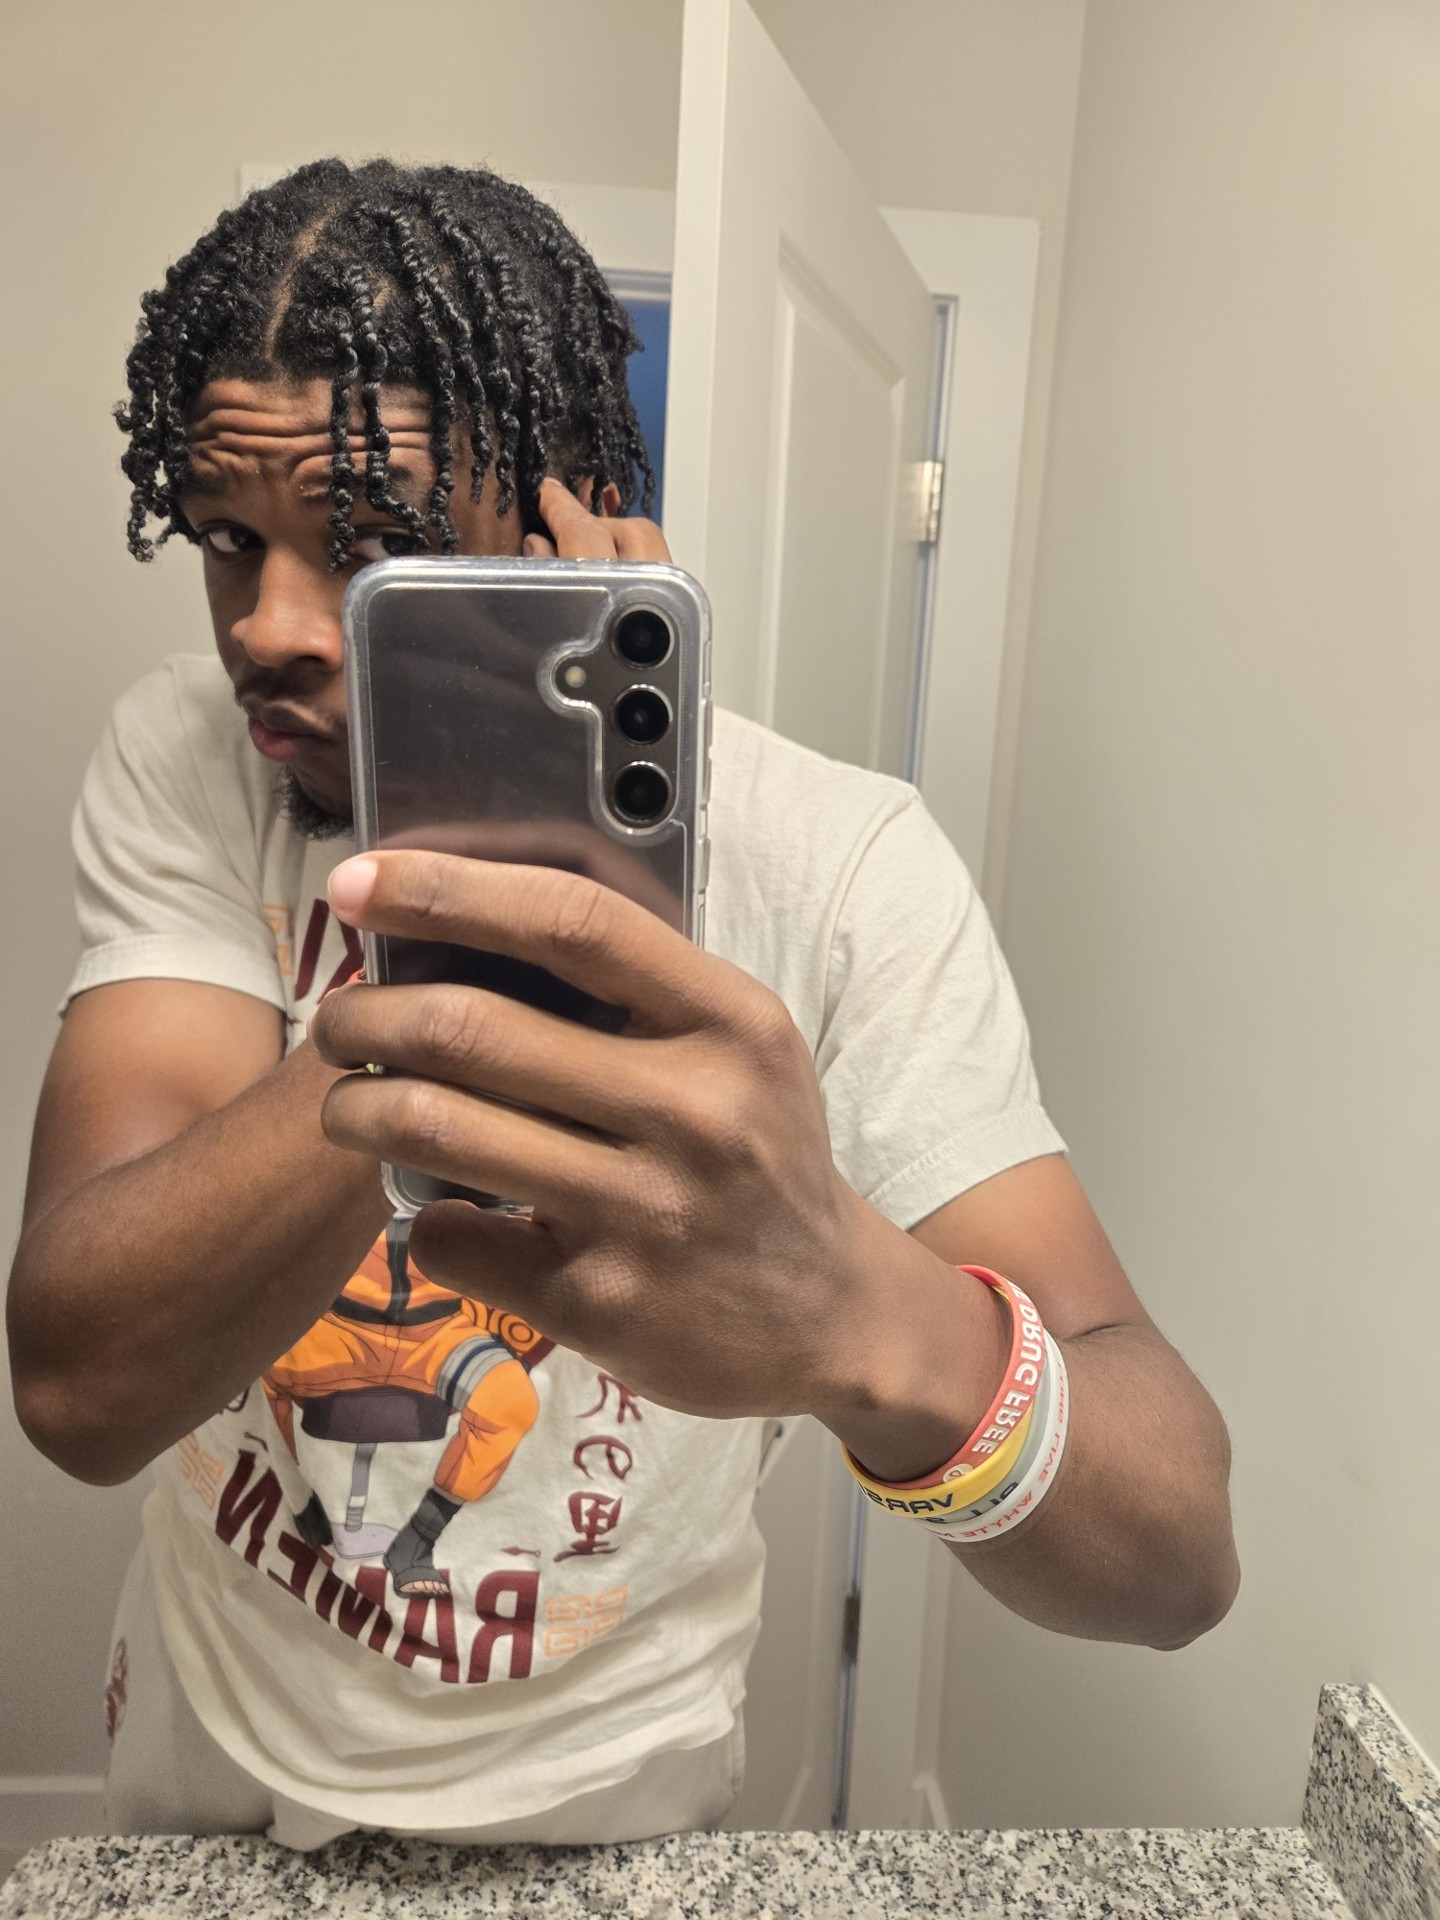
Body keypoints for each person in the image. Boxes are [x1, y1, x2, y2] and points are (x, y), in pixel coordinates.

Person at [7, 158, 1239, 1849]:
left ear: (564, 523)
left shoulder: (839, 866)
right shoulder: (191, 762)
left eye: (371, 547)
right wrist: (486, 914)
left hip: (613, 1796)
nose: (268, 629)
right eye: (231, 541)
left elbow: (1177, 1558)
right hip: (216, 1752)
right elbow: (81, 1384)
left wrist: (870, 1325)